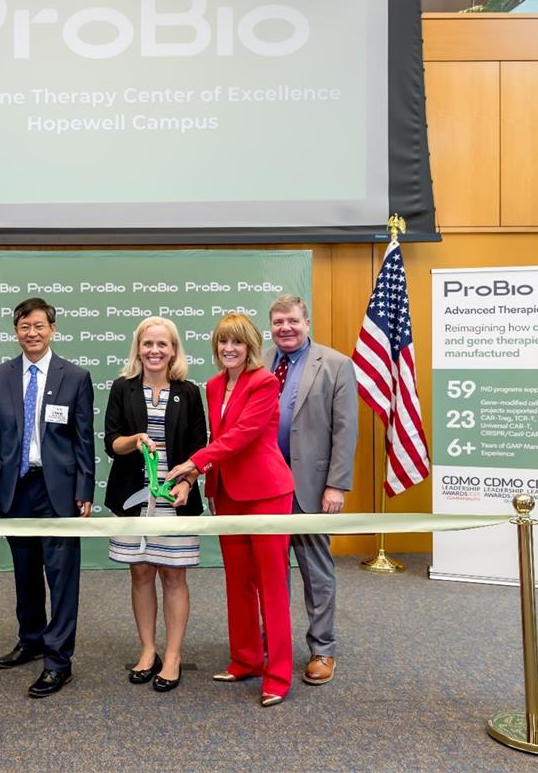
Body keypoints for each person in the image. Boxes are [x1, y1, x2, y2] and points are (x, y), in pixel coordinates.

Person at [0, 298, 95, 698]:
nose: (31, 333)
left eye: (38, 326)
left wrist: (85, 489)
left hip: (59, 491)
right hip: (17, 489)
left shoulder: (75, 376)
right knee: (25, 572)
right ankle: (31, 639)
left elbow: (84, 439)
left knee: (61, 576)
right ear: (15, 332)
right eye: (23, 327)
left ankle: (58, 661)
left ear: (52, 329)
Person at [166, 312, 295, 707]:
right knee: (238, 582)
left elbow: (243, 435)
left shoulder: (266, 382)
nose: (229, 349)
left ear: (251, 346)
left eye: (237, 342)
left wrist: (192, 463)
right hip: (227, 494)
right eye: (223, 342)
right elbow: (220, 437)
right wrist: (197, 476)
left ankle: (278, 674)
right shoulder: (213, 384)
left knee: (271, 585)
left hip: (267, 493)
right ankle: (246, 659)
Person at [104, 317, 206, 692]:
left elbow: (200, 448)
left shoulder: (189, 391)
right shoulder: (122, 388)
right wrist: (135, 440)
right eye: (148, 344)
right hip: (134, 499)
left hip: (175, 499)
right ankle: (148, 650)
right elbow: (111, 442)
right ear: (138, 348)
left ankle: (174, 655)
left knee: (174, 575)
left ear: (174, 350)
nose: (154, 351)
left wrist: (188, 481)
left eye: (162, 344)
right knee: (141, 573)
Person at [265, 295, 357, 686]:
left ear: (307, 322)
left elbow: (345, 430)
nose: (285, 328)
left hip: (311, 487)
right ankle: (274, 644)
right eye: (278, 322)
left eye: (292, 321)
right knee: (270, 572)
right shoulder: (260, 361)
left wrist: (336, 484)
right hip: (266, 487)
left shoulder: (336, 365)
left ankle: (323, 649)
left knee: (315, 571)